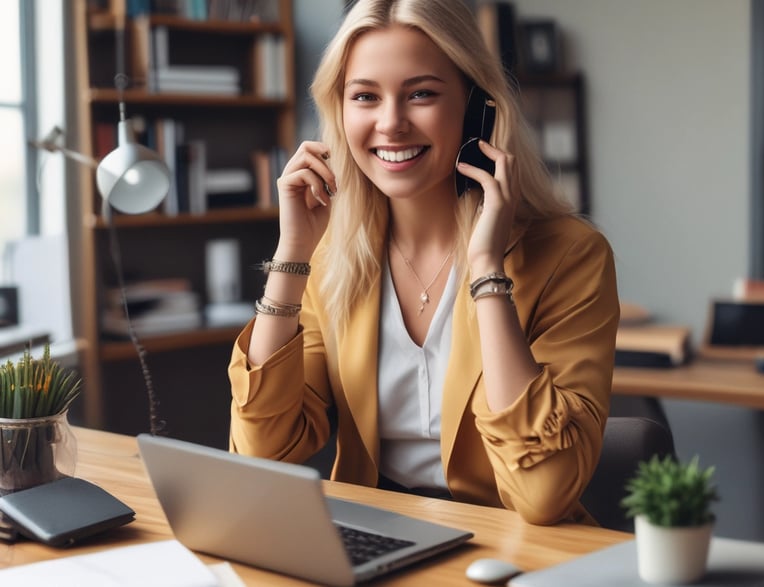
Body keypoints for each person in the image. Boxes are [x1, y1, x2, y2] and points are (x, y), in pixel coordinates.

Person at [228, 0, 619, 526]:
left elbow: (543, 492)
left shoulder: (571, 257)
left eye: (421, 94)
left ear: (478, 107)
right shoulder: (332, 259)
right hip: (376, 537)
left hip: (511, 548)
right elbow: (259, 457)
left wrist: (487, 272)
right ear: (340, 114)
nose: (391, 123)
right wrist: (291, 254)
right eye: (365, 96)